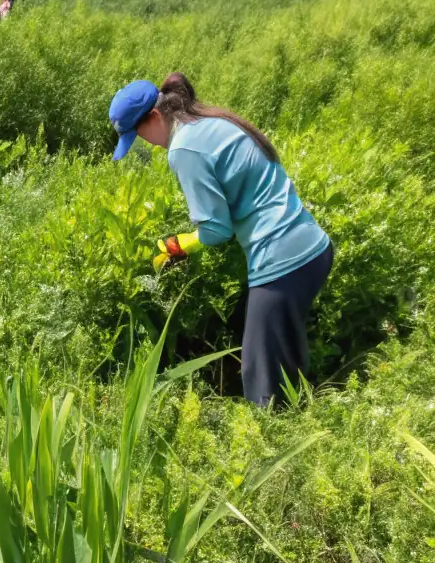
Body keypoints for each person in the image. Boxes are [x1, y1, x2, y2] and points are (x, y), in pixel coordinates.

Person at [108, 72, 332, 407]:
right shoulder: (209, 120)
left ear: (154, 118)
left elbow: (216, 230)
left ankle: (276, 449)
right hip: (311, 248)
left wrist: (177, 246)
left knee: (261, 381)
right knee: (282, 357)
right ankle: (302, 418)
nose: (146, 144)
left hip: (282, 260)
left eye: (138, 135)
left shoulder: (183, 148)